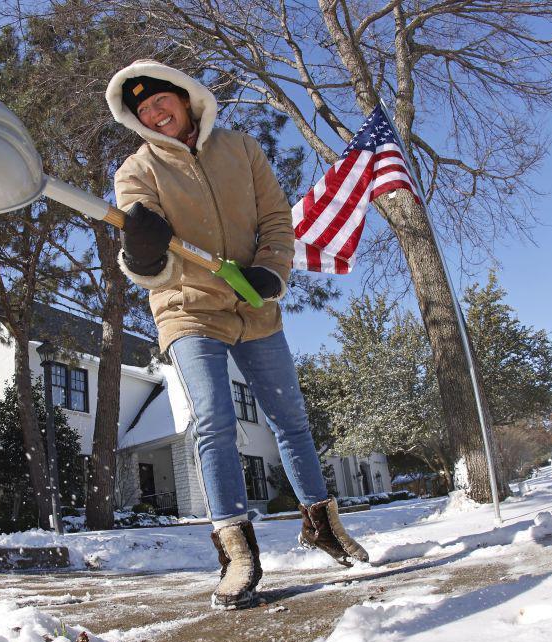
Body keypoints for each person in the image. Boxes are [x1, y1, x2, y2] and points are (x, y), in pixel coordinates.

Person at [105, 60, 368, 610]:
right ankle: (237, 551)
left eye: (161, 100)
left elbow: (276, 219)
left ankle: (322, 525)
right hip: (189, 308)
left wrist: (270, 270)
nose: (155, 113)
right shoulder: (137, 170)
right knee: (214, 420)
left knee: (290, 419)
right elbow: (146, 254)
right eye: (143, 110)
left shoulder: (241, 149)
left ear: (184, 97)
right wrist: (144, 250)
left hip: (253, 302)